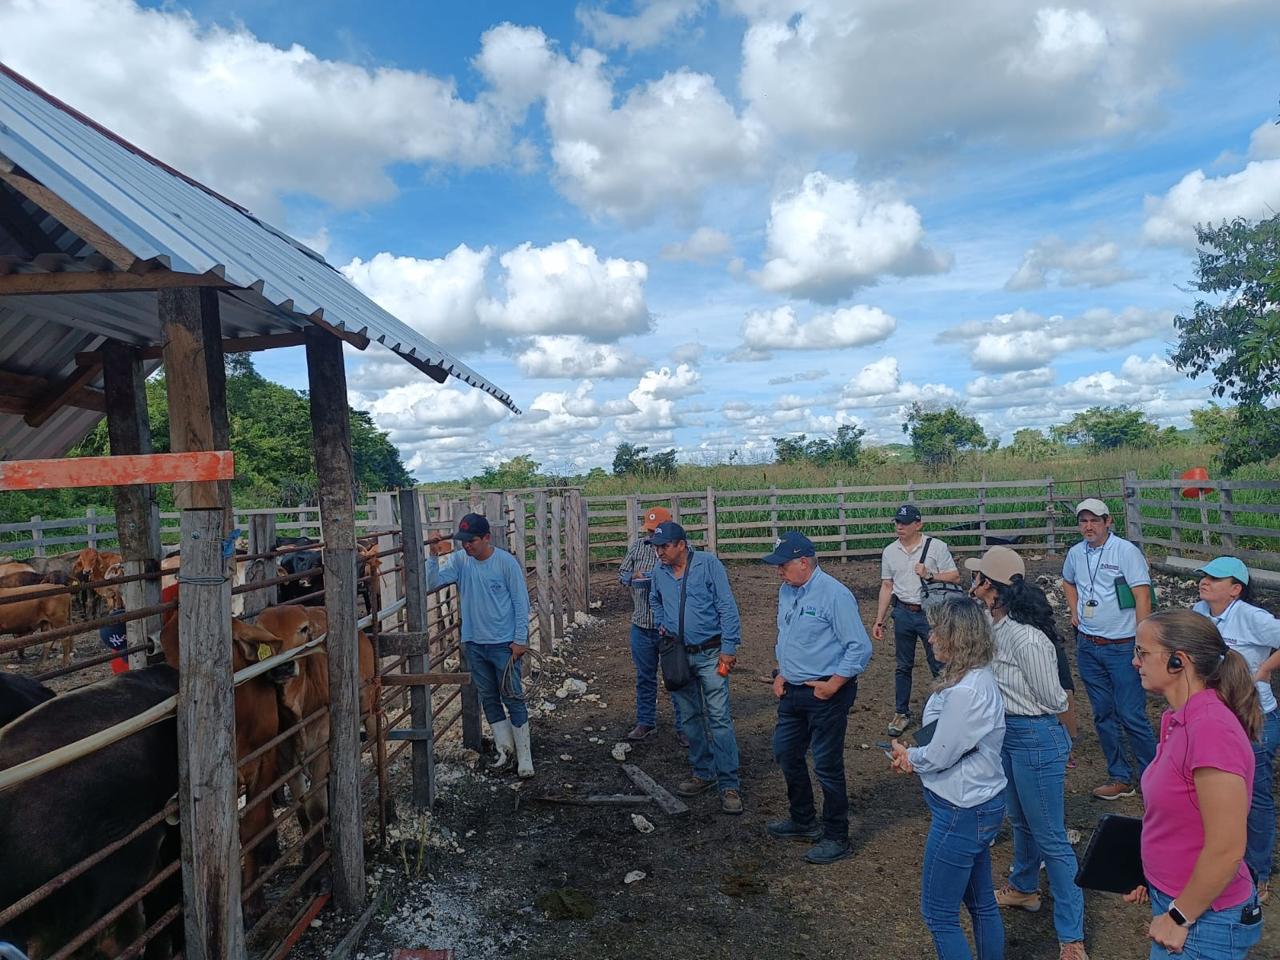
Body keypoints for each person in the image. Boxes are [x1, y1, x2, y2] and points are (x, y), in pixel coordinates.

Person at [1123, 610, 1264, 959]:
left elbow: (1227, 847)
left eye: (1142, 652)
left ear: (1178, 661)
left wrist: (1178, 915)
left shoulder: (1211, 731)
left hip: (1204, 920)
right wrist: (1151, 873)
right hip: (1181, 901)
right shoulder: (1179, 720)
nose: (1134, 661)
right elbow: (1179, 814)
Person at [967, 547, 1086, 960]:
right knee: (1020, 819)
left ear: (992, 588)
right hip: (1011, 735)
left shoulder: (1027, 638)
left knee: (1052, 837)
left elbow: (1053, 697)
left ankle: (1071, 937)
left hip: (1034, 734)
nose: (973, 583)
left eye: (979, 577)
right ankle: (1023, 888)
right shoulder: (991, 623)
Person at [889, 597, 1007, 960]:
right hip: (982, 803)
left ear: (958, 638)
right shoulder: (980, 677)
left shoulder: (965, 692)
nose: (931, 636)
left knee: (939, 915)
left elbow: (942, 754)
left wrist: (910, 757)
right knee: (982, 903)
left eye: (938, 630)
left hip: (960, 810)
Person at [763, 532, 873, 864]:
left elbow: (860, 647)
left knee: (826, 764)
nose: (779, 572)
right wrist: (782, 672)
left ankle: (837, 835)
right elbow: (788, 635)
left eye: (783, 565)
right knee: (786, 753)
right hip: (793, 690)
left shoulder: (835, 595)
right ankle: (803, 819)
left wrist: (834, 683)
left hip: (826, 692)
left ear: (803, 563)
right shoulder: (788, 591)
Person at [1191, 556, 1280, 902]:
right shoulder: (1199, 612)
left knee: (1254, 798)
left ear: (1235, 589)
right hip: (1215, 717)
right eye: (1204, 576)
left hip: (1252, 717)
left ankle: (1258, 872)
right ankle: (1219, 862)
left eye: (1215, 578)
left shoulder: (1252, 617)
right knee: (1214, 793)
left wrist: (1264, 669)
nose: (1205, 582)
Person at [1061, 497, 1157, 800]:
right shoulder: (1076, 553)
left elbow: (1143, 596)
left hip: (1123, 644)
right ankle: (1120, 776)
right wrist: (1073, 609)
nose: (1088, 526)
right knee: (1103, 713)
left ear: (1108, 522)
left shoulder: (1126, 552)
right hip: (1089, 645)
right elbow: (1068, 582)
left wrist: (1142, 644)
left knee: (1131, 714)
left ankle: (1155, 777)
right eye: (1083, 521)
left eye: (1094, 520)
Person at [647, 520, 745, 814]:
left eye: (664, 546)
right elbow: (654, 600)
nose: (660, 552)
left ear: (681, 545)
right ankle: (703, 772)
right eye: (657, 547)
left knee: (718, 717)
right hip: (678, 654)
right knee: (690, 717)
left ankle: (729, 782)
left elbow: (727, 605)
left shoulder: (708, 565)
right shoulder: (658, 573)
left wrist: (729, 648)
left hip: (711, 654)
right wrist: (665, 624)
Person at [427, 512, 534, 777]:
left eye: (472, 540)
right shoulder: (461, 561)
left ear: (486, 538)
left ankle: (525, 756)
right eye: (464, 540)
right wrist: (432, 556)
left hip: (503, 644)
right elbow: (433, 582)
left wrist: (520, 639)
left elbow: (521, 603)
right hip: (475, 642)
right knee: (489, 698)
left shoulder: (506, 563)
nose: (467, 545)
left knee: (513, 696)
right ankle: (505, 750)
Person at [874, 503, 962, 738]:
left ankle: (946, 708)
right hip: (902, 612)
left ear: (918, 524)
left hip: (930, 613)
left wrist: (930, 575)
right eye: (897, 522)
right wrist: (879, 619)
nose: (900, 526)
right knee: (903, 665)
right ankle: (901, 712)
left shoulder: (936, 547)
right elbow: (886, 585)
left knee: (939, 662)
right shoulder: (890, 551)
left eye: (905, 522)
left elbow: (954, 576)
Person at [618, 506, 686, 744]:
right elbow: (622, 573)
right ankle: (646, 721)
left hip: (669, 626)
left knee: (677, 677)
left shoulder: (682, 551)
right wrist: (632, 577)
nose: (652, 536)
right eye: (650, 530)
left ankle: (684, 725)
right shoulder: (638, 546)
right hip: (642, 623)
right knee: (645, 676)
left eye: (656, 531)